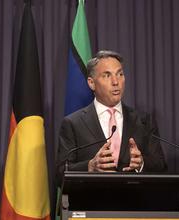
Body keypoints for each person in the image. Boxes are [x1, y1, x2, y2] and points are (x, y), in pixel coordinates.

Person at [56, 50, 166, 178]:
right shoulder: (73, 123)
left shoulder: (143, 121)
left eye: (120, 74)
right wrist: (90, 166)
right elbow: (60, 173)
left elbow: (161, 166)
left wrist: (142, 163)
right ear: (91, 83)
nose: (116, 82)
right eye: (107, 75)